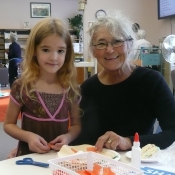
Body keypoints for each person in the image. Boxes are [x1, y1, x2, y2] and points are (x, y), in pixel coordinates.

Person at [71, 11, 175, 152]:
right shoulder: (87, 88)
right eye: (101, 43)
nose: (109, 49)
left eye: (117, 41)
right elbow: (81, 138)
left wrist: (128, 141)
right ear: (93, 51)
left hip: (136, 166)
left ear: (130, 44)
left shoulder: (152, 81)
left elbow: (171, 131)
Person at [3, 18, 81, 157]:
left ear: (67, 53)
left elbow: (76, 126)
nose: (54, 57)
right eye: (46, 50)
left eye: (60, 51)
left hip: (59, 159)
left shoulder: (71, 89)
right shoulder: (22, 86)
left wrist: (68, 138)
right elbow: (8, 124)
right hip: (28, 157)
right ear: (34, 51)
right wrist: (28, 137)